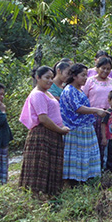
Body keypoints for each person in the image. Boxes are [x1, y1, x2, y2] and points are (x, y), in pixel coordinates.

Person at [19, 66, 70, 196]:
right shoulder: (37, 94)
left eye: (51, 78)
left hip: (52, 134)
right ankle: (36, 198)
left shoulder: (48, 93)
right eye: (47, 77)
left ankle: (49, 196)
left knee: (50, 167)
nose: (50, 81)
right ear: (38, 78)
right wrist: (60, 130)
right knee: (39, 168)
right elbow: (43, 118)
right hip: (42, 135)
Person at [59, 64, 108, 184]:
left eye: (86, 75)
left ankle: (85, 178)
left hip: (84, 127)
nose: (85, 78)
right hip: (75, 129)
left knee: (85, 154)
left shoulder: (79, 89)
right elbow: (78, 108)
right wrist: (96, 110)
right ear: (74, 76)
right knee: (77, 155)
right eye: (83, 75)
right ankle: (74, 181)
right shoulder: (69, 90)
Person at [82, 56, 112, 160]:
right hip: (93, 116)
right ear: (97, 68)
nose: (105, 71)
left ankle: (106, 165)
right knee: (94, 142)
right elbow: (83, 98)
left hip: (109, 117)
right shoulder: (90, 81)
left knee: (108, 142)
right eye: (103, 68)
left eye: (108, 69)